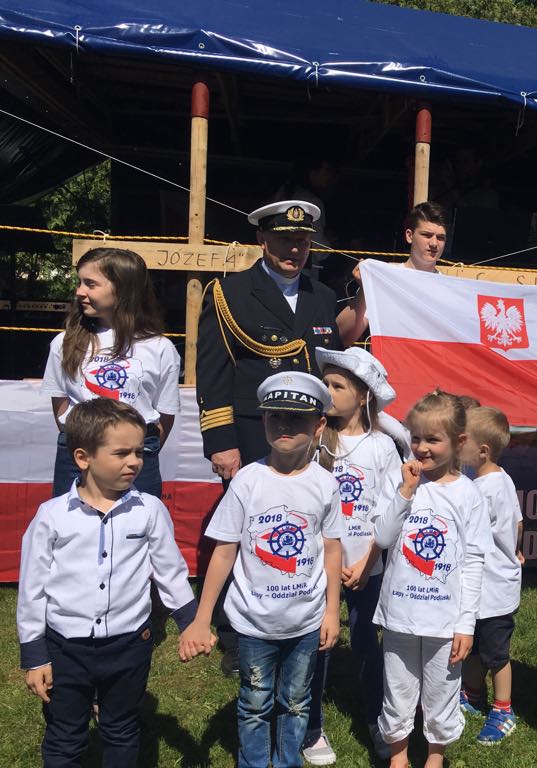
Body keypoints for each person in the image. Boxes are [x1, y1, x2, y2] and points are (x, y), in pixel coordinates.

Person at [17, 398, 196, 766]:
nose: (134, 461)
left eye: (139, 452)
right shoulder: (52, 516)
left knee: (122, 729)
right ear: (83, 458)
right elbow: (32, 589)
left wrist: (190, 623)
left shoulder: (149, 510)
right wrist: (35, 656)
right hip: (65, 648)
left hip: (129, 645)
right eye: (121, 453)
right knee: (65, 734)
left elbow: (170, 572)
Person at [178, 372, 343, 768]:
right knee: (254, 703)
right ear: (263, 420)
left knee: (296, 701)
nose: (283, 425)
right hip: (253, 623)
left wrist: (332, 611)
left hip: (305, 622)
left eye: (296, 418)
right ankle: (252, 762)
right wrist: (202, 617)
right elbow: (224, 551)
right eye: (274, 416)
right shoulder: (246, 481)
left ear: (319, 425)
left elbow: (332, 550)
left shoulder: (325, 484)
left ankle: (287, 761)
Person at [371, 390, 492, 768]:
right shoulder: (400, 481)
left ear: (458, 442)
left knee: (442, 692)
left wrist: (466, 624)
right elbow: (383, 538)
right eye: (416, 437)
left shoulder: (468, 494)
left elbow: (473, 562)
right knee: (398, 690)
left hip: (445, 620)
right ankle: (399, 756)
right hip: (400, 615)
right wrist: (405, 493)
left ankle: (434, 757)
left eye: (433, 439)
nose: (421, 447)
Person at [301, 347, 402, 765]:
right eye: (325, 383)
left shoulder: (382, 447)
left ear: (363, 396)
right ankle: (311, 726)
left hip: (367, 566)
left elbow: (391, 509)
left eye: (338, 385)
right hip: (319, 566)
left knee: (365, 644)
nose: (328, 391)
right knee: (318, 644)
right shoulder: (314, 440)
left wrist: (367, 562)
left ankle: (378, 719)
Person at [196, 199, 341, 477]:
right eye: (285, 240)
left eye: (302, 241)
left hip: (311, 434)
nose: (295, 249)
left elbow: (332, 366)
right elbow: (213, 373)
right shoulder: (230, 293)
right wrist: (221, 442)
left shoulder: (323, 296)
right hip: (253, 433)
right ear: (262, 240)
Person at [42, 247, 180, 497]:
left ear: (123, 289)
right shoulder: (64, 342)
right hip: (79, 451)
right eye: (80, 282)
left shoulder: (160, 348)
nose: (79, 291)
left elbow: (165, 415)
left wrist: (132, 449)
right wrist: (84, 440)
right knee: (73, 518)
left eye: (90, 284)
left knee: (138, 517)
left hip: (137, 453)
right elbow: (60, 405)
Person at [458, 406, 524, 745]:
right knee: (473, 647)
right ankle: (472, 693)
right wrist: (514, 547)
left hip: (493, 588)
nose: (457, 445)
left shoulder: (483, 489)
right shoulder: (501, 477)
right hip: (487, 585)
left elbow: (468, 535)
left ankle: (503, 709)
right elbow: (518, 522)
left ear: (482, 450)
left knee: (496, 654)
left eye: (462, 441)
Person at [336, 201, 450, 347]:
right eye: (426, 235)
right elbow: (341, 337)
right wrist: (366, 290)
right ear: (409, 236)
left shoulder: (449, 290)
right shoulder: (384, 278)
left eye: (440, 237)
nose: (434, 243)